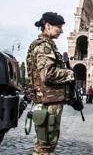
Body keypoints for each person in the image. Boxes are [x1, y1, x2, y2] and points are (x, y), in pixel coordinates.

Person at [26, 12, 74, 154]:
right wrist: (69, 74)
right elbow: (48, 74)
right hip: (48, 103)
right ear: (47, 26)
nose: (62, 30)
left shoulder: (47, 45)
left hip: (49, 101)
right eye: (58, 26)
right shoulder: (44, 46)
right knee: (45, 146)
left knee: (46, 143)